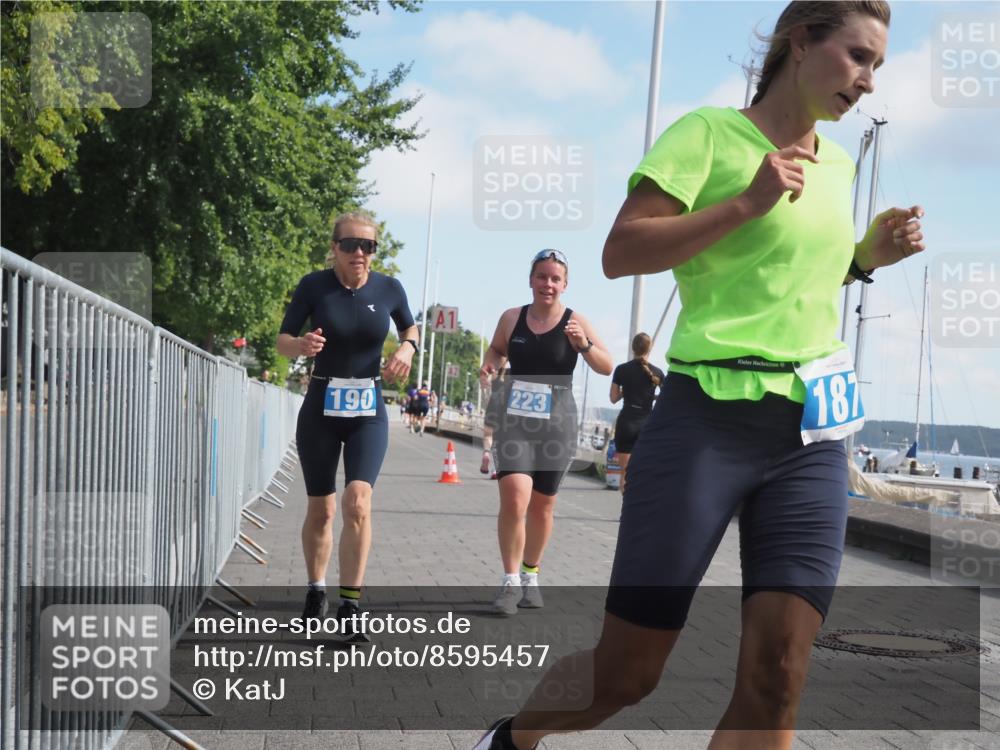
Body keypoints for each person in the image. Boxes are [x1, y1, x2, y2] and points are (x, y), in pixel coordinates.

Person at [475, 2, 926, 747]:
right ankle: (513, 737)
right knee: (627, 674)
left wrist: (862, 259)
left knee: (779, 675)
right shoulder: (709, 135)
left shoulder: (840, 163)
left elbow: (789, 282)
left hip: (811, 435)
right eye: (858, 57)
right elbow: (622, 253)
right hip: (704, 424)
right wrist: (747, 201)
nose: (869, 82)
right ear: (802, 42)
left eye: (878, 65)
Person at [276, 211, 419, 643]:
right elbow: (282, 340)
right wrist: (300, 345)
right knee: (322, 509)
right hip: (321, 405)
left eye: (368, 246)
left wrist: (408, 348)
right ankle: (316, 590)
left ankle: (350, 603)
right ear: (334, 248)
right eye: (351, 245)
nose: (360, 253)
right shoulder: (313, 286)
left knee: (358, 501)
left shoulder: (389, 288)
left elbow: (409, 326)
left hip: (367, 409)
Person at [479, 249, 612, 616]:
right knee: (514, 496)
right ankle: (508, 582)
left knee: (543, 505)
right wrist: (490, 367)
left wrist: (582, 344)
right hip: (515, 420)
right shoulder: (511, 318)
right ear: (531, 279)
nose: (548, 284)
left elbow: (607, 365)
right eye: (542, 277)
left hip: (558, 424)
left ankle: (530, 575)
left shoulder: (575, 321)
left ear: (565, 284)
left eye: (555, 279)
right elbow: (496, 351)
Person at [609, 333, 664, 494]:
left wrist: (626, 392)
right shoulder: (658, 373)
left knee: (625, 472)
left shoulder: (621, 370)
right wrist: (651, 396)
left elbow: (613, 398)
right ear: (650, 348)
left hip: (626, 423)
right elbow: (666, 399)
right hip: (647, 424)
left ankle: (625, 514)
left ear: (633, 348)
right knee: (644, 472)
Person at [481, 367, 509, 478]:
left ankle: (486, 453)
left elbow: (485, 378)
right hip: (504, 407)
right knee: (500, 440)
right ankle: (495, 469)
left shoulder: (494, 375)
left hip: (492, 405)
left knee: (488, 435)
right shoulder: (511, 374)